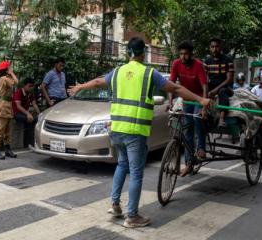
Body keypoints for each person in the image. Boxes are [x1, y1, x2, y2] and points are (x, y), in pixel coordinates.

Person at [68, 37, 211, 228]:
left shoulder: (118, 72)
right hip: (135, 131)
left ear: (128, 53)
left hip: (116, 129)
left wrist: (79, 87)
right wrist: (201, 100)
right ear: (143, 53)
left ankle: (115, 204)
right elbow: (175, 88)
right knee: (136, 173)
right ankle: (132, 216)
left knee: (122, 164)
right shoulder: (149, 73)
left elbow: (96, 82)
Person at [168, 40, 207, 176]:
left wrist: (203, 106)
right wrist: (170, 101)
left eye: (185, 54)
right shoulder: (176, 64)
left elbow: (204, 87)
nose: (182, 57)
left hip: (198, 98)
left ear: (191, 54)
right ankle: (189, 164)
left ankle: (201, 148)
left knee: (197, 119)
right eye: (181, 54)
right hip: (186, 99)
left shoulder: (199, 65)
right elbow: (171, 84)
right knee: (186, 130)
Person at [204, 38, 234, 127]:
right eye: (212, 47)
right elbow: (205, 79)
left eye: (216, 47)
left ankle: (221, 119)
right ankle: (203, 111)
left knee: (222, 91)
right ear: (210, 48)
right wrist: (206, 89)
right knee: (202, 89)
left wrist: (215, 91)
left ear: (220, 47)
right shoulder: (207, 61)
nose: (214, 49)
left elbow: (229, 80)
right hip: (212, 85)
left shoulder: (228, 60)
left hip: (226, 87)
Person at [0, 61, 18, 160]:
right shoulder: (4, 78)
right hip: (3, 105)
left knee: (7, 130)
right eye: (10, 68)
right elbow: (16, 82)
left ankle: (7, 149)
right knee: (0, 129)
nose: (11, 69)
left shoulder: (6, 78)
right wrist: (12, 73)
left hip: (7, 105)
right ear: (6, 70)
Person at [12, 78, 40, 147]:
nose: (31, 88)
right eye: (29, 86)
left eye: (32, 86)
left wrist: (40, 114)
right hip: (16, 113)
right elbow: (18, 106)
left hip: (25, 113)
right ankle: (29, 143)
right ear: (24, 86)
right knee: (30, 120)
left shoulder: (30, 94)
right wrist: (28, 114)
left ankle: (30, 143)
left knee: (36, 119)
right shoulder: (19, 92)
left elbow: (34, 104)